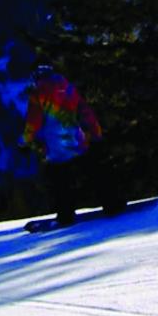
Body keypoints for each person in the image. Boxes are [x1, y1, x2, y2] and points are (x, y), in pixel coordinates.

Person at [18, 63, 106, 226]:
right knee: (93, 173)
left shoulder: (38, 95)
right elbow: (85, 112)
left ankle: (66, 215)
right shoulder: (69, 89)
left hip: (55, 148)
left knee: (60, 183)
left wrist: (24, 142)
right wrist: (96, 132)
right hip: (77, 141)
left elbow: (33, 122)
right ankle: (112, 203)